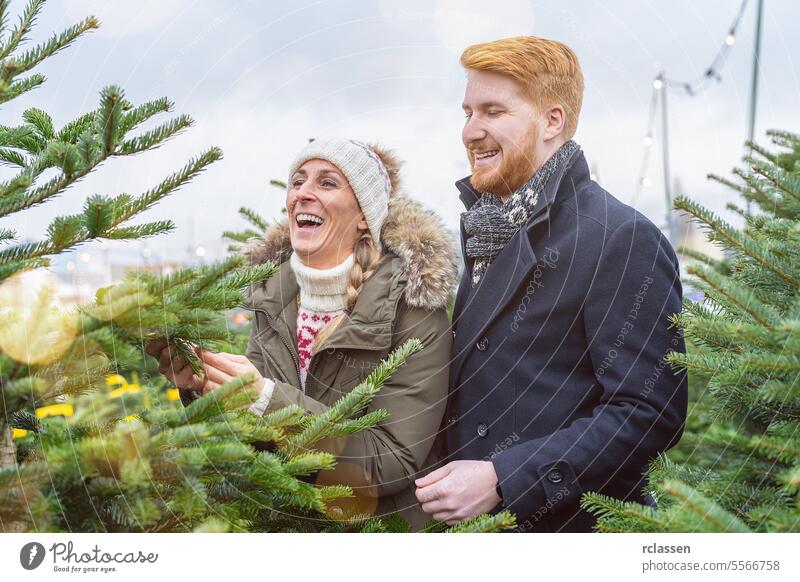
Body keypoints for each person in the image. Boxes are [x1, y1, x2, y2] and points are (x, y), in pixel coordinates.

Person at [415, 36, 688, 532]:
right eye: (468, 111)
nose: (471, 131)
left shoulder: (621, 238)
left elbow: (649, 411)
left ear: (552, 121)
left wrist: (504, 476)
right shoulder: (488, 230)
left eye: (493, 111)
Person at [147, 138, 456, 530]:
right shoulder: (274, 296)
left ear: (364, 215)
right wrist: (206, 386)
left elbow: (389, 461)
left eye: (327, 183)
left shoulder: (412, 309)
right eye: (297, 182)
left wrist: (267, 401)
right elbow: (252, 442)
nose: (303, 194)